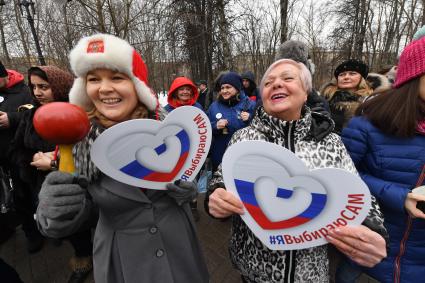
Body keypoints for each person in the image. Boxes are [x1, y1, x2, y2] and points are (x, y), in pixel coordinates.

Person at [36, 33, 209, 283]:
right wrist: (55, 210)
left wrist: (188, 191)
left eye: (117, 77)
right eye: (94, 79)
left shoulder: (169, 130)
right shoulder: (77, 143)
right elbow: (57, 220)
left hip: (180, 246)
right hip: (124, 259)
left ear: (137, 86)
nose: (105, 88)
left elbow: (186, 178)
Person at [205, 59, 388, 282]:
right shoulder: (244, 138)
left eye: (288, 78)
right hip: (254, 269)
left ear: (306, 92)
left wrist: (372, 229)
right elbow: (221, 178)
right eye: (269, 82)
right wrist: (215, 194)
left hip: (309, 272)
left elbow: (357, 192)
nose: (276, 84)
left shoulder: (330, 141)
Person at [341, 27, 425, 283]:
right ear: (414, 75)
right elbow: (340, 178)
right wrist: (400, 196)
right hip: (367, 264)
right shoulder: (368, 123)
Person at [8, 66, 93, 283]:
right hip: (40, 183)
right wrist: (32, 159)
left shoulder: (78, 113)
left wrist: (54, 162)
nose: (37, 92)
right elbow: (16, 148)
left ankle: (84, 258)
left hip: (74, 187)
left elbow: (88, 156)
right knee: (55, 221)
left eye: (43, 87)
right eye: (34, 86)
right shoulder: (29, 115)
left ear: (59, 86)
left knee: (77, 225)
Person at [0, 61, 33, 250]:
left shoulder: (23, 91)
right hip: (2, 160)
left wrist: (11, 118)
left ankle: (38, 230)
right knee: (16, 200)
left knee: (26, 194)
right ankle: (28, 230)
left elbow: (35, 113)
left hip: (21, 154)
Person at [164, 76, 203, 221]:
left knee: (193, 176)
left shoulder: (197, 108)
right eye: (182, 89)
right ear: (175, 91)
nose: (185, 92)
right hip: (174, 151)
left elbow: (203, 128)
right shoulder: (166, 110)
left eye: (188, 89)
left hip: (194, 150)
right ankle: (174, 204)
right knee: (176, 178)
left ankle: (193, 205)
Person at [207, 71, 255, 171]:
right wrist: (215, 126)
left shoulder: (250, 105)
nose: (224, 91)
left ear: (237, 88)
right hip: (219, 158)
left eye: (228, 87)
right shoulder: (214, 107)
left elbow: (261, 128)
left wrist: (250, 118)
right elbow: (205, 128)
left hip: (243, 158)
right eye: (222, 88)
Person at [274, 40, 330, 115]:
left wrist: (321, 123)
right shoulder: (266, 104)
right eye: (285, 77)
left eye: (289, 78)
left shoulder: (320, 104)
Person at [321, 59, 373, 134]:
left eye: (352, 74)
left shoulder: (369, 101)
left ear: (362, 78)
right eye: (342, 74)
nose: (346, 77)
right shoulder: (325, 99)